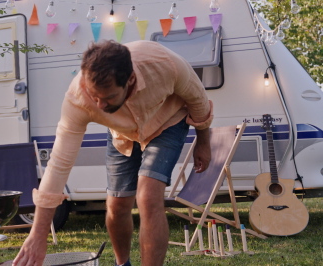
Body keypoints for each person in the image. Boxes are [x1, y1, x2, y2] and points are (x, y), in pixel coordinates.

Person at [13, 40, 213, 266]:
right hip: (123, 134)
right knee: (117, 205)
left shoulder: (166, 65)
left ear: (130, 80)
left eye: (108, 98)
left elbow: (198, 100)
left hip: (167, 122)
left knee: (148, 197)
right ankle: (122, 264)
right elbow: (59, 163)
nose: (99, 105)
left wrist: (203, 142)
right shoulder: (77, 98)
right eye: (94, 96)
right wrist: (38, 235)